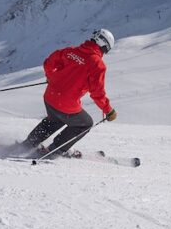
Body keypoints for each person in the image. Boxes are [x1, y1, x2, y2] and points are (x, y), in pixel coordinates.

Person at [23, 28, 117, 156]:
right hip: (65, 104)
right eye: (106, 50)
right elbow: (97, 93)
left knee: (55, 119)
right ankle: (56, 149)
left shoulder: (71, 51)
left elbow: (49, 62)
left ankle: (29, 143)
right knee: (85, 123)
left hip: (49, 97)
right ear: (104, 45)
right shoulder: (97, 65)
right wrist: (108, 111)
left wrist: (51, 78)